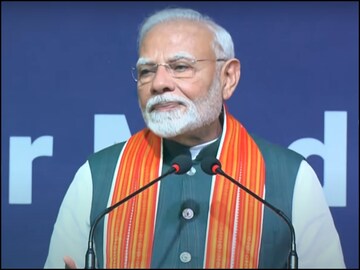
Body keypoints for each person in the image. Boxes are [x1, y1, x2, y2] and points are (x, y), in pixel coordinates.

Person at [44, 7, 346, 269]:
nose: (159, 83)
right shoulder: (97, 177)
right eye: (146, 71)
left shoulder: (292, 179)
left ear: (228, 78)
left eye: (180, 67)